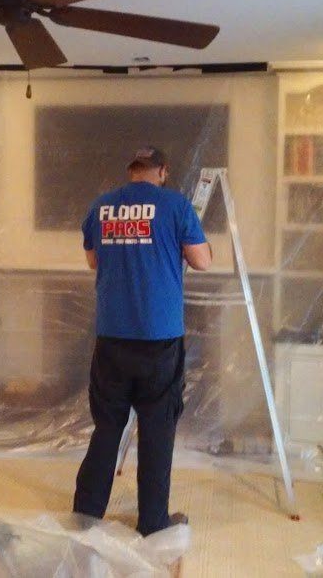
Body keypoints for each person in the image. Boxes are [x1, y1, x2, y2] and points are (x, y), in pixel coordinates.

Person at [73, 146, 212, 536]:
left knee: (107, 427)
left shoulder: (101, 207)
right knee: (156, 430)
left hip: (112, 339)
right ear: (162, 171)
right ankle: (152, 522)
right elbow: (203, 261)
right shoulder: (175, 206)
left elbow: (93, 262)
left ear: (131, 170)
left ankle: (86, 515)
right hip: (159, 341)